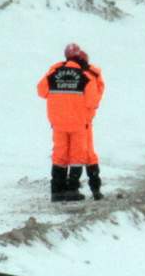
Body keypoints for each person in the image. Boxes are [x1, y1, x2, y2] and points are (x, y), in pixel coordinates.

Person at [37, 42, 104, 203]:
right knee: (76, 156)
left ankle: (56, 191)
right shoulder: (86, 76)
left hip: (58, 123)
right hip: (78, 123)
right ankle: (72, 189)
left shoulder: (53, 73)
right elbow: (92, 102)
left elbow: (41, 91)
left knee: (59, 155)